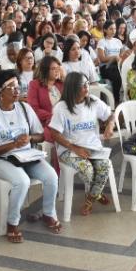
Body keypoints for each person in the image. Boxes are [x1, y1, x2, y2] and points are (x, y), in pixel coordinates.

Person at [0, 70, 61, 242]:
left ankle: (48, 213)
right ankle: (12, 222)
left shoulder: (25, 108)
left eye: (17, 86)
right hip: (2, 159)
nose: (17, 91)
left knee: (51, 176)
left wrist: (30, 138)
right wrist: (11, 145)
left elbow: (40, 135)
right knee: (22, 181)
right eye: (11, 87)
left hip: (27, 156)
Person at [49, 72, 116, 216]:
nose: (87, 88)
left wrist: (110, 125)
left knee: (105, 166)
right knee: (88, 170)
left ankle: (90, 199)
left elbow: (111, 114)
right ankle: (97, 194)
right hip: (69, 149)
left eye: (87, 84)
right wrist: (74, 148)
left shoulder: (92, 101)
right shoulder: (61, 108)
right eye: (83, 86)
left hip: (92, 146)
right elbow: (54, 133)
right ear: (72, 88)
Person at [27, 56, 64, 173]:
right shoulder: (35, 85)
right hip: (44, 123)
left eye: (58, 68)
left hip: (63, 121)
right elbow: (33, 108)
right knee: (57, 135)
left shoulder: (61, 84)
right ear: (45, 70)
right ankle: (58, 173)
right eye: (53, 68)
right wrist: (52, 117)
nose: (57, 71)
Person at [97, 20, 123, 103]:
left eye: (115, 29)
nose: (113, 31)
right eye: (111, 29)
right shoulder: (102, 42)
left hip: (117, 65)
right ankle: (116, 100)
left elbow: (121, 56)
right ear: (105, 30)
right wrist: (114, 57)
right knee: (117, 75)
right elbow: (102, 58)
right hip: (106, 67)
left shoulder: (118, 41)